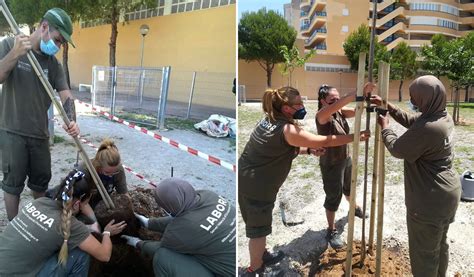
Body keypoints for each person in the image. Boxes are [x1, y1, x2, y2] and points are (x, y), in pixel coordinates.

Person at [238, 86, 370, 276]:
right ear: (286, 108)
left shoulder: (269, 120)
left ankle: (261, 254)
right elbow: (323, 141)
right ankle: (254, 269)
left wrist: (307, 151)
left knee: (256, 223)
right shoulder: (287, 128)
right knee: (258, 230)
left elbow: (282, 149)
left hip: (248, 177)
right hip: (258, 185)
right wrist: (354, 137)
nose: (302, 106)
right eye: (298, 104)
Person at [371, 75, 461, 277]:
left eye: (414, 98)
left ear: (425, 98)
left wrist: (385, 127)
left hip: (428, 201)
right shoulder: (441, 116)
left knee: (423, 256)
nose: (412, 102)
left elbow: (397, 149)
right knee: (438, 246)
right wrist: (390, 107)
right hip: (447, 196)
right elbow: (414, 122)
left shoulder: (429, 128)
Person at [0, 8, 80, 221]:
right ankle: (14, 228)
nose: (58, 46)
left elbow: (66, 95)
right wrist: (15, 54)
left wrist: (72, 119)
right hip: (11, 131)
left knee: (40, 184)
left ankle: (38, 224)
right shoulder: (10, 44)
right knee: (12, 185)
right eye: (58, 39)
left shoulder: (53, 64)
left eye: (61, 43)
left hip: (39, 134)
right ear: (44, 27)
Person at [0, 170, 127, 276]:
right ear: (77, 204)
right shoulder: (72, 225)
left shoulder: (39, 202)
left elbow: (52, 228)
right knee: (80, 255)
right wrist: (106, 233)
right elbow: (104, 255)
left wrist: (89, 227)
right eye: (85, 204)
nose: (85, 208)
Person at [121, 178, 235, 276]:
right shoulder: (207, 195)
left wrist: (137, 243)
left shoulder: (182, 231)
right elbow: (182, 219)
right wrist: (148, 223)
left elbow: (160, 248)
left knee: (162, 257)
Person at [315, 83, 375, 249]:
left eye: (337, 98)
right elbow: (343, 103)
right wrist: (357, 91)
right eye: (332, 99)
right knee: (333, 196)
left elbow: (356, 111)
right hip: (331, 163)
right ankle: (331, 230)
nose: (336, 102)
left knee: (349, 187)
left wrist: (366, 100)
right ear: (323, 101)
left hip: (345, 158)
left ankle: (354, 207)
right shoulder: (322, 115)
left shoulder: (338, 111)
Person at [46, 139, 128, 231]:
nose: (111, 175)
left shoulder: (118, 169)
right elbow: (81, 203)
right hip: (80, 205)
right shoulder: (84, 171)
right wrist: (98, 226)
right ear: (99, 166)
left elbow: (124, 194)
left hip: (99, 203)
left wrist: (127, 213)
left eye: (115, 172)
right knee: (85, 225)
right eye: (107, 172)